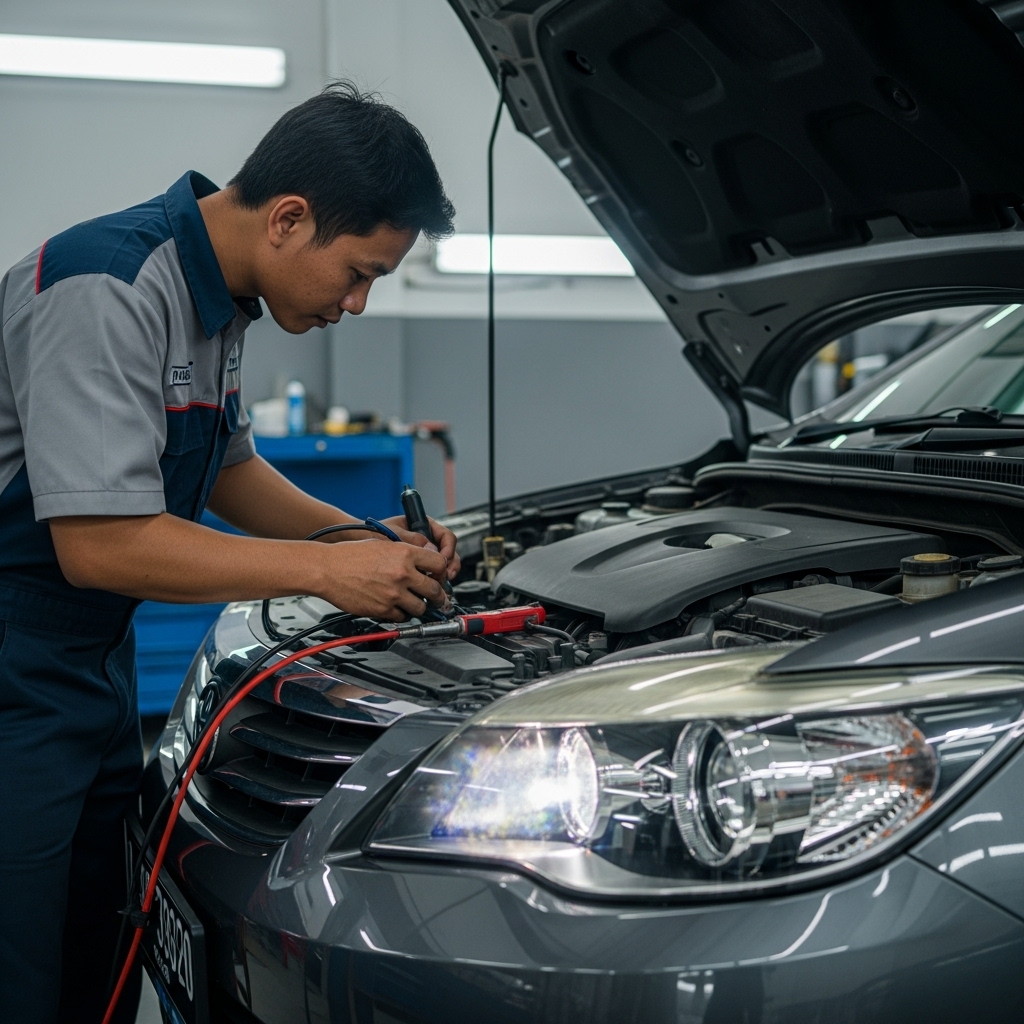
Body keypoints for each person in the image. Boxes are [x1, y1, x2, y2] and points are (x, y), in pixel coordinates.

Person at [0, 82, 459, 1024]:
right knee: (18, 963)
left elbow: (226, 469)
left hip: (87, 664)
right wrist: (330, 573)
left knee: (96, 945)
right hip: (12, 655)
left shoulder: (221, 301)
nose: (360, 304)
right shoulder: (110, 286)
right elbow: (99, 543)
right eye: (359, 271)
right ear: (289, 219)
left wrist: (362, 542)